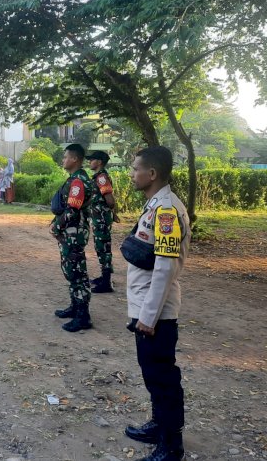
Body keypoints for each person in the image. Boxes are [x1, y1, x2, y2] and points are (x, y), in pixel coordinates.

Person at [121, 147, 190, 461]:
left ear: (152, 174)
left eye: (136, 169)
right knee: (151, 373)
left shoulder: (165, 211)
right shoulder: (155, 205)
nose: (132, 174)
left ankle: (171, 445)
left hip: (157, 313)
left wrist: (147, 316)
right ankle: (157, 424)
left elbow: (165, 267)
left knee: (163, 378)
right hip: (146, 307)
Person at [51, 144, 94, 332]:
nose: (63, 160)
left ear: (75, 159)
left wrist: (56, 226)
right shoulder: (75, 179)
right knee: (71, 269)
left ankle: (83, 316)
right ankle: (75, 307)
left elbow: (72, 211)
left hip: (73, 232)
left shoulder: (78, 182)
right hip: (71, 232)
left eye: (66, 157)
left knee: (77, 272)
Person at [87, 150, 117, 293]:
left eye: (92, 159)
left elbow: (110, 199)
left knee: (103, 247)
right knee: (101, 246)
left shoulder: (101, 178)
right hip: (100, 217)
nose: (89, 162)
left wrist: (109, 211)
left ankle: (106, 282)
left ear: (99, 162)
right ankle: (104, 277)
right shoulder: (99, 177)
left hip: (101, 219)